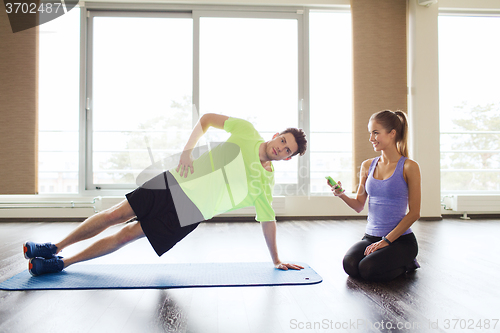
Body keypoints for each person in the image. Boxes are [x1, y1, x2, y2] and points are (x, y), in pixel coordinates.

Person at [24, 113, 307, 276]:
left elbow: (268, 220)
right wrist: (186, 152)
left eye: (287, 151)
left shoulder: (265, 183)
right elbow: (207, 119)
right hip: (173, 184)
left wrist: (276, 260)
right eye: (282, 141)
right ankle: (55, 246)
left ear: (287, 159)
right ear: (275, 135)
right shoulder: (246, 130)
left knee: (126, 236)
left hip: (189, 214)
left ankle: (61, 263)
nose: (280, 148)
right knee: (114, 215)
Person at [328, 110, 421, 282]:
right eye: (370, 133)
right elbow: (358, 205)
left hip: (400, 240)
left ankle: (408, 262)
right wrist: (341, 194)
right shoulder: (367, 165)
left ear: (392, 134)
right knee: (350, 265)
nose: (371, 138)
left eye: (376, 132)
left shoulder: (409, 167)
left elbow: (415, 213)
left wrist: (386, 241)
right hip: (371, 237)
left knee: (367, 269)